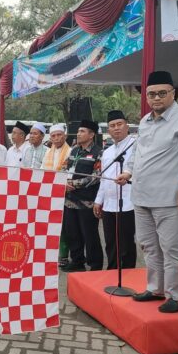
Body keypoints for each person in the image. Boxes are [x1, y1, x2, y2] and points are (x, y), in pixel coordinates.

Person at [117, 71, 178, 313]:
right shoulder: (145, 121)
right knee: (147, 245)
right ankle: (155, 288)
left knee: (172, 247)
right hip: (142, 195)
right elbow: (139, 153)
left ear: (173, 93)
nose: (156, 98)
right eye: (151, 94)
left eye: (162, 93)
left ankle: (176, 296)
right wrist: (129, 172)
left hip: (172, 198)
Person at [94, 110, 137, 270]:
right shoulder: (107, 152)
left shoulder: (135, 145)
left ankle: (128, 274)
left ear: (127, 126)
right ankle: (112, 272)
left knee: (126, 243)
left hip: (128, 203)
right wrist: (99, 201)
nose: (116, 128)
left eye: (120, 124)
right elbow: (103, 180)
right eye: (112, 126)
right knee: (110, 242)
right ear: (108, 130)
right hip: (109, 204)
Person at [62, 120, 103, 272]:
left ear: (91, 135)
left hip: (86, 201)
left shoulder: (99, 152)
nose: (78, 134)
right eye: (78, 131)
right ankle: (77, 261)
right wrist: (63, 182)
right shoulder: (74, 151)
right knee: (72, 232)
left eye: (82, 131)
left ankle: (95, 264)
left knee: (89, 234)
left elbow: (96, 176)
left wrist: (74, 184)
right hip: (69, 200)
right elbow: (64, 168)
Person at [43, 124, 73, 267]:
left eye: (59, 135)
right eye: (53, 136)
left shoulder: (71, 152)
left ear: (65, 136)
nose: (56, 138)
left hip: (65, 194)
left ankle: (64, 255)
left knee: (65, 227)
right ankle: (51, 254)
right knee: (51, 225)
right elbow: (43, 171)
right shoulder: (48, 153)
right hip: (49, 193)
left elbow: (70, 172)